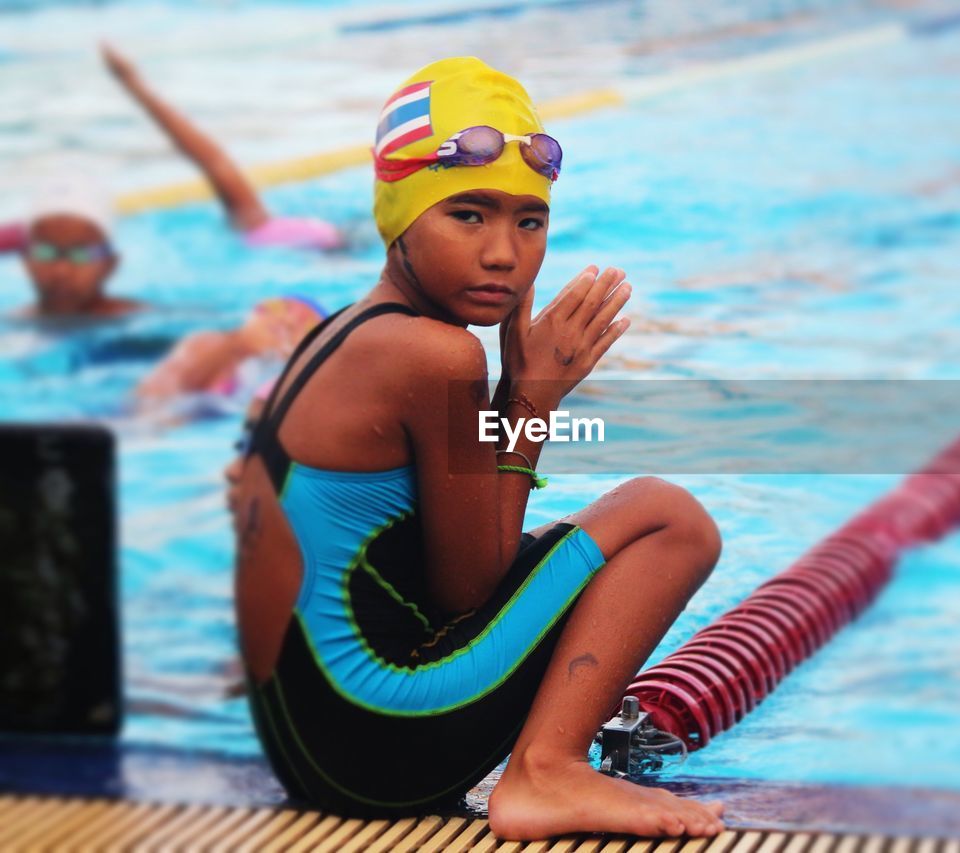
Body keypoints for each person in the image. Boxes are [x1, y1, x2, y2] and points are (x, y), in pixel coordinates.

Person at [231, 57, 725, 839]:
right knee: (667, 518)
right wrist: (532, 396)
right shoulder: (435, 355)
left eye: (529, 222)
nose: (504, 252)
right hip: (376, 741)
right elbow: (470, 588)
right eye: (468, 214)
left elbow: (433, 576)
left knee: (592, 540)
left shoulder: (341, 333)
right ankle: (544, 773)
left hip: (315, 748)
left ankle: (543, 766)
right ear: (399, 218)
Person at [101, 43, 344, 252]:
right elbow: (213, 162)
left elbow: (212, 161)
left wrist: (132, 83)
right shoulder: (259, 231)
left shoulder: (259, 232)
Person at [135, 295, 326, 401]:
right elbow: (158, 401)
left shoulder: (258, 373)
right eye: (282, 312)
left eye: (297, 328)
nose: (288, 321)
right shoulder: (211, 343)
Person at [17, 176, 141, 318]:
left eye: (81, 254)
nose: (61, 271)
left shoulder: (140, 323)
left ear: (111, 264)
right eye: (46, 253)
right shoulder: (13, 326)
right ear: (25, 261)